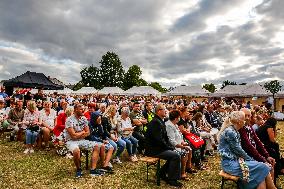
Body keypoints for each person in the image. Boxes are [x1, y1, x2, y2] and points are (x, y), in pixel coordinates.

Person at [218, 111, 276, 189]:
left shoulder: (234, 130)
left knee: (261, 169)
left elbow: (257, 142)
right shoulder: (230, 132)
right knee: (262, 167)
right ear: (239, 122)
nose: (245, 121)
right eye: (244, 119)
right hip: (230, 164)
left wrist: (261, 157)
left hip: (236, 161)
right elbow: (239, 150)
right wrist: (252, 160)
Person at [145, 103, 182, 187]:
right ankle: (172, 179)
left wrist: (170, 147)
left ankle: (161, 173)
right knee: (175, 155)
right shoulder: (155, 122)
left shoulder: (160, 121)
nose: (166, 111)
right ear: (158, 111)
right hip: (154, 150)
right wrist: (169, 147)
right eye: (164, 109)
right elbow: (159, 140)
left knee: (175, 154)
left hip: (158, 148)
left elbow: (164, 139)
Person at [65, 103, 103, 177]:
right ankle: (79, 169)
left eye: (83, 109)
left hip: (82, 140)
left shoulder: (84, 118)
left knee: (97, 146)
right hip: (71, 141)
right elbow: (73, 136)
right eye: (81, 109)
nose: (83, 110)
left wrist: (79, 134)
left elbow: (88, 133)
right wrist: (82, 132)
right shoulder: (69, 120)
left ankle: (93, 170)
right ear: (76, 110)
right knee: (76, 151)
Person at [165, 110, 193, 180]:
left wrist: (183, 142)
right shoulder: (169, 125)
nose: (179, 119)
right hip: (171, 146)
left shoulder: (175, 124)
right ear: (176, 118)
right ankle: (182, 173)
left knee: (189, 148)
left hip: (179, 144)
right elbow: (171, 141)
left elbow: (180, 135)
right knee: (184, 152)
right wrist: (182, 146)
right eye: (179, 117)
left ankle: (188, 167)